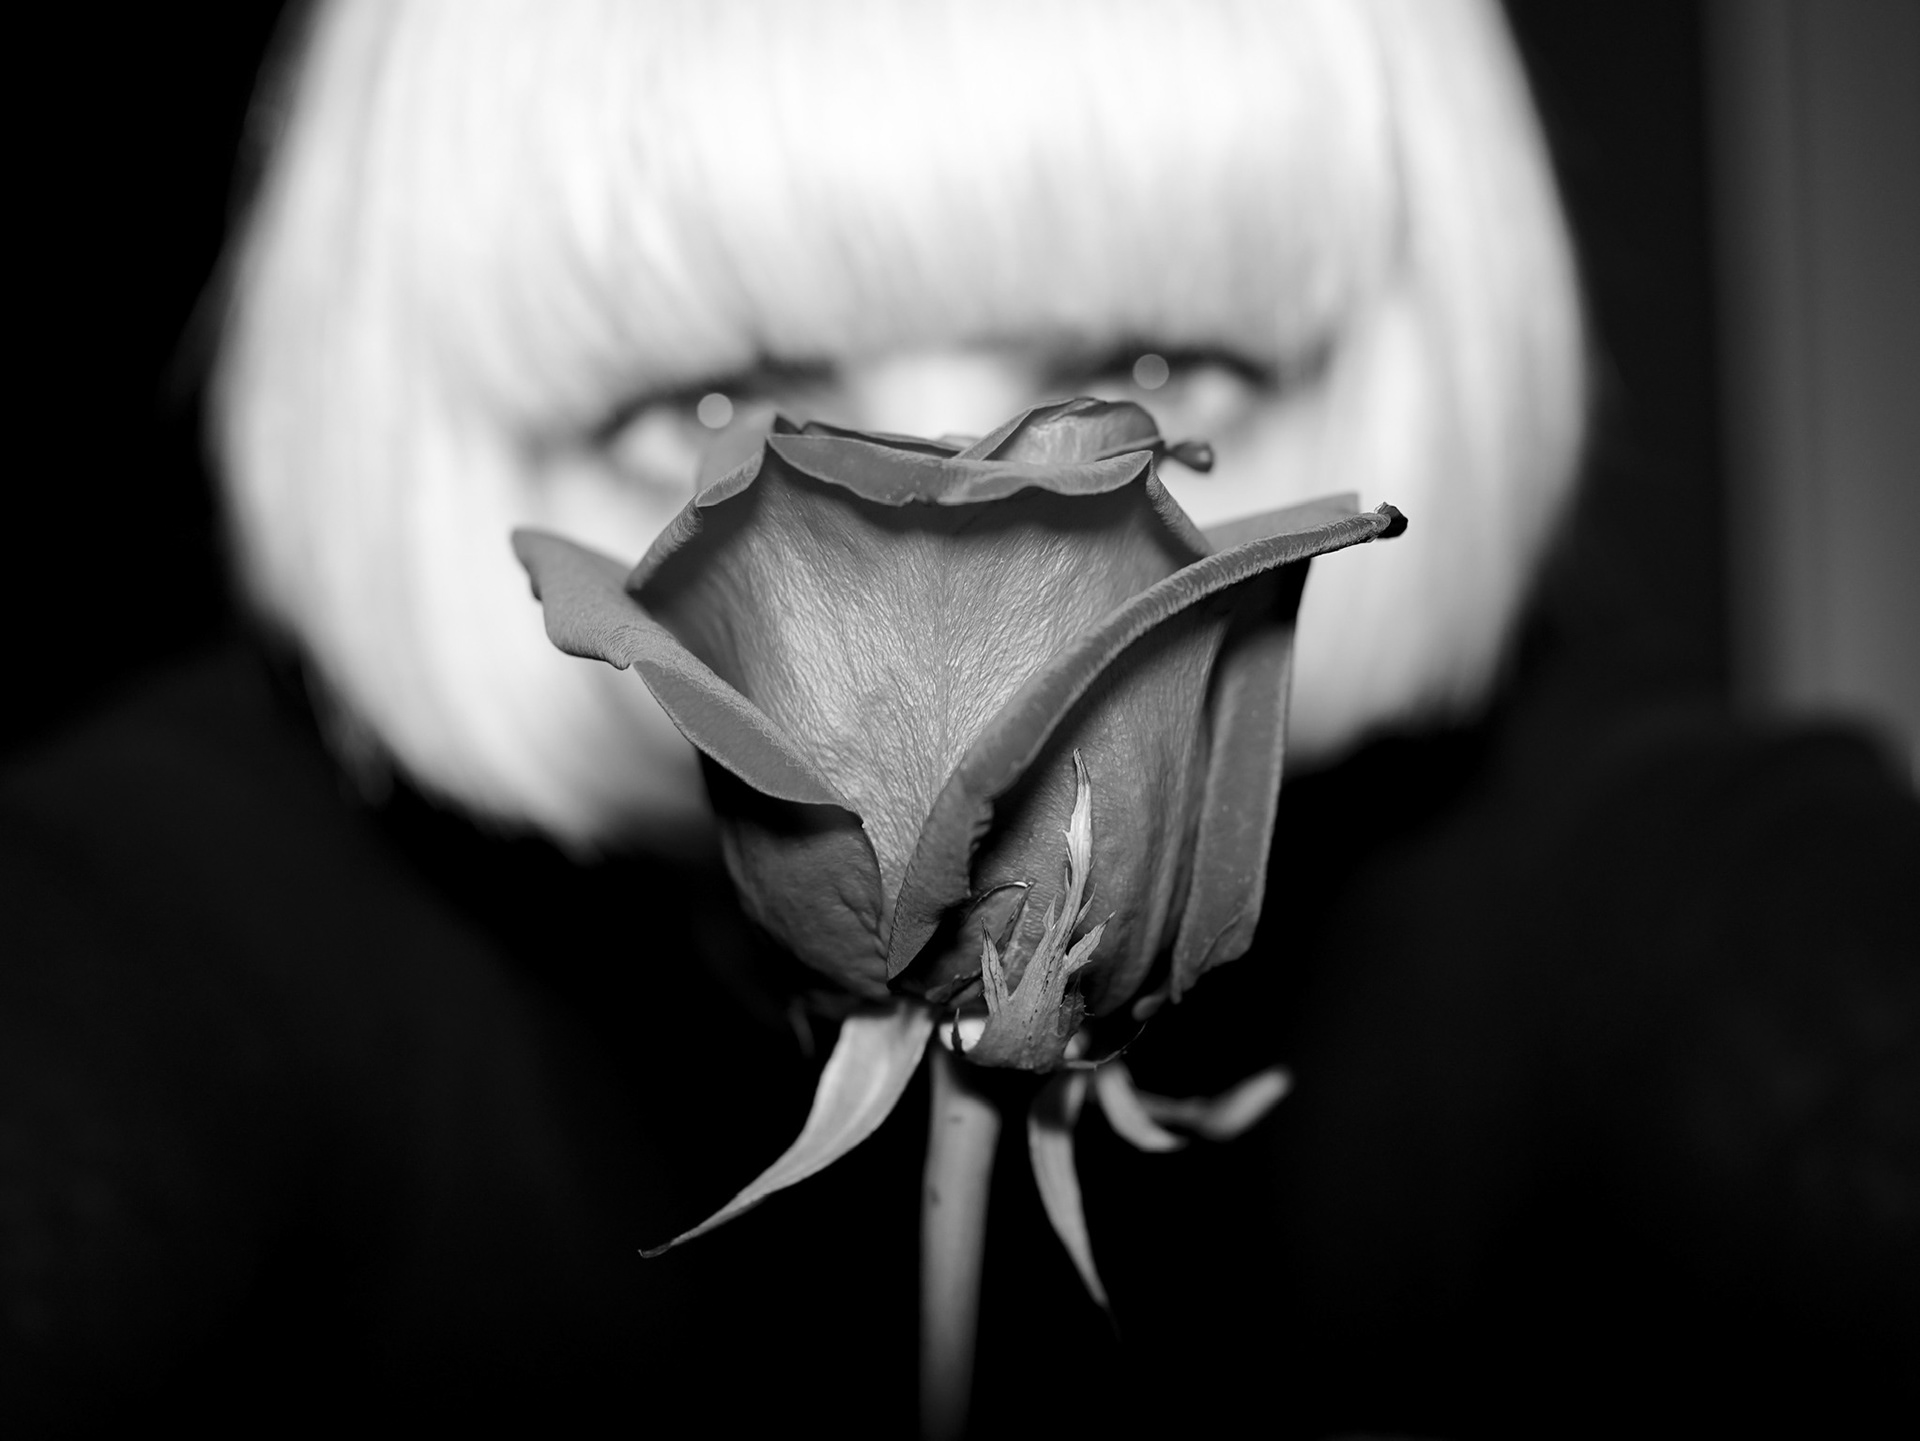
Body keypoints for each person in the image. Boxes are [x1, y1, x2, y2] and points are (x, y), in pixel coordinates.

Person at [5, 2, 1913, 1436]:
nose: (952, 483)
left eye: (1146, 367)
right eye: (718, 402)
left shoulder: (1637, 873)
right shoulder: (184, 907)